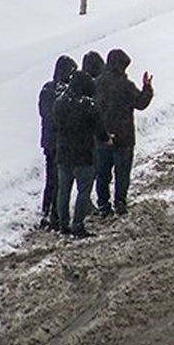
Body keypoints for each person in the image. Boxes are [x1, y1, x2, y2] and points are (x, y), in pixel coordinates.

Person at [94, 48, 154, 216]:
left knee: (103, 174)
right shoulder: (125, 85)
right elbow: (141, 103)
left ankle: (103, 204)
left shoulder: (97, 83)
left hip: (102, 136)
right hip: (123, 136)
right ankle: (120, 202)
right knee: (122, 173)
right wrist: (147, 88)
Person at [54, 70, 110, 238]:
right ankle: (78, 224)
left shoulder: (60, 102)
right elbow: (100, 130)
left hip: (63, 153)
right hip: (83, 155)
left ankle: (63, 224)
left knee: (63, 190)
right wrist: (106, 138)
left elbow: (57, 123)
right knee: (83, 191)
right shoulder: (89, 105)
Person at [37, 55, 77, 231]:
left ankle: (46, 210)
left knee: (50, 178)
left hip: (48, 141)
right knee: (60, 179)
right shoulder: (66, 93)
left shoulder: (46, 89)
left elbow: (43, 113)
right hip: (61, 142)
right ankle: (55, 214)